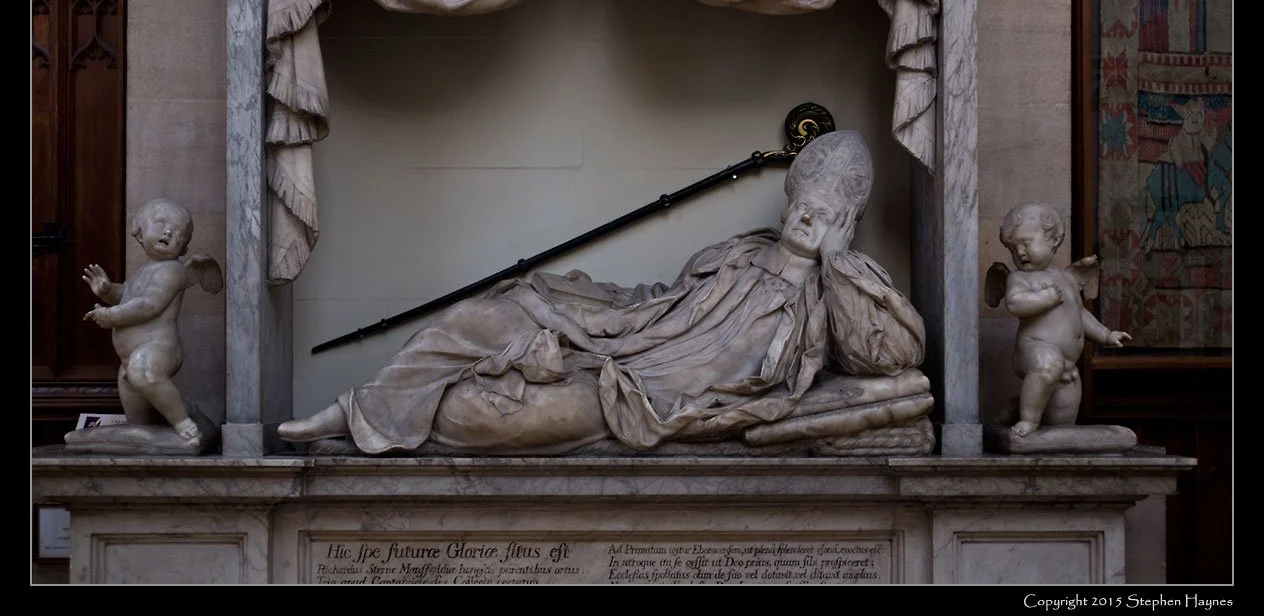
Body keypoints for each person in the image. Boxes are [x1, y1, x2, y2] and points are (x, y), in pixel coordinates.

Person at [279, 130, 926, 455]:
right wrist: (584, 304)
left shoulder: (842, 287)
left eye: (824, 212)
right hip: (625, 335)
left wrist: (838, 261)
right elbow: (665, 299)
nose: (806, 219)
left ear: (844, 220)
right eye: (802, 204)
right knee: (488, 313)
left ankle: (391, 424)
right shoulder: (738, 251)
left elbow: (888, 356)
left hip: (646, 396)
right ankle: (354, 409)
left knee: (471, 416)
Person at [82, 197, 222, 443]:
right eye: (161, 223)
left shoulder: (173, 271)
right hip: (129, 357)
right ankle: (147, 431)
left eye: (179, 232)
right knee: (135, 404)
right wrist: (107, 291)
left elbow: (148, 305)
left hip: (158, 349)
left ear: (184, 247)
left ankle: (183, 422)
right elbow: (126, 295)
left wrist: (111, 316)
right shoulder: (145, 270)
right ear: (138, 231)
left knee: (143, 372)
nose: (169, 231)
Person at [987, 202, 1130, 439]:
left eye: (1026, 243)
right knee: (1047, 365)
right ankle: (1028, 418)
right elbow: (1015, 304)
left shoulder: (1066, 278)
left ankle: (1019, 405)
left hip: (1068, 364)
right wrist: (1046, 297)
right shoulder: (1019, 278)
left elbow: (1079, 314)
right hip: (1033, 349)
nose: (1020, 252)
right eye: (1014, 248)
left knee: (1061, 422)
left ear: (1053, 240)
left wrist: (1106, 334)